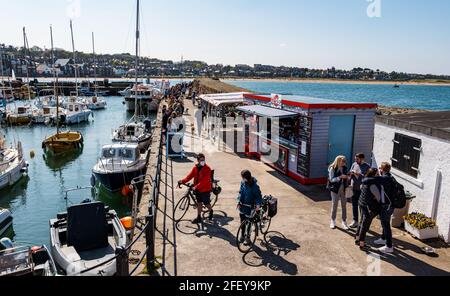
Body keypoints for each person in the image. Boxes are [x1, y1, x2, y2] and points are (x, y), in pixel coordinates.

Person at [178, 154, 214, 224]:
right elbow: (189, 176)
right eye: (201, 160)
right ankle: (199, 217)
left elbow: (204, 181)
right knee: (199, 203)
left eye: (203, 160)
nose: (203, 161)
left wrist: (195, 187)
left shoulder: (207, 168)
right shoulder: (195, 168)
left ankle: (211, 210)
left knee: (206, 204)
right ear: (198, 161)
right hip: (197, 189)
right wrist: (182, 181)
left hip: (205, 189)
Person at [355, 168, 383, 251]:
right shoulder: (373, 185)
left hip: (361, 203)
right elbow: (379, 198)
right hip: (367, 206)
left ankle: (357, 239)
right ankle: (362, 244)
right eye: (377, 174)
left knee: (361, 221)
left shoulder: (365, 181)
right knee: (365, 224)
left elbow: (361, 189)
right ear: (374, 175)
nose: (379, 176)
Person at [373, 162, 396, 253]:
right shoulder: (390, 177)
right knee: (384, 223)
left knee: (386, 224)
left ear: (382, 169)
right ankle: (383, 238)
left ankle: (389, 246)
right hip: (390, 205)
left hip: (387, 205)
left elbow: (370, 180)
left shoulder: (384, 178)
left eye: (380, 168)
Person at [237, 170, 263, 245]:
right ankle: (242, 235)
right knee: (242, 222)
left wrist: (258, 205)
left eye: (242, 177)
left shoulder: (254, 186)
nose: (242, 179)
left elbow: (258, 197)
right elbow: (240, 192)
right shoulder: (242, 183)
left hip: (250, 207)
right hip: (242, 206)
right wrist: (239, 200)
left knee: (249, 223)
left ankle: (248, 238)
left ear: (246, 177)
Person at [349, 153, 372, 228]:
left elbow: (368, 178)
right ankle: (355, 221)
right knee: (354, 205)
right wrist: (351, 174)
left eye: (357, 159)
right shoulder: (354, 164)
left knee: (362, 207)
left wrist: (358, 174)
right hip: (353, 188)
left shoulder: (367, 166)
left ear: (362, 159)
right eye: (355, 159)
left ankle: (363, 223)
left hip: (362, 190)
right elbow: (350, 173)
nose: (355, 160)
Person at [328, 156, 350, 230]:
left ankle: (344, 222)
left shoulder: (345, 168)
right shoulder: (332, 168)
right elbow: (331, 179)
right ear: (338, 161)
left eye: (345, 161)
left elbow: (346, 177)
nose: (344, 162)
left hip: (343, 189)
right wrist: (340, 177)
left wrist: (347, 177)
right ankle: (332, 221)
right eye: (343, 161)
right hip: (335, 189)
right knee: (335, 205)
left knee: (344, 205)